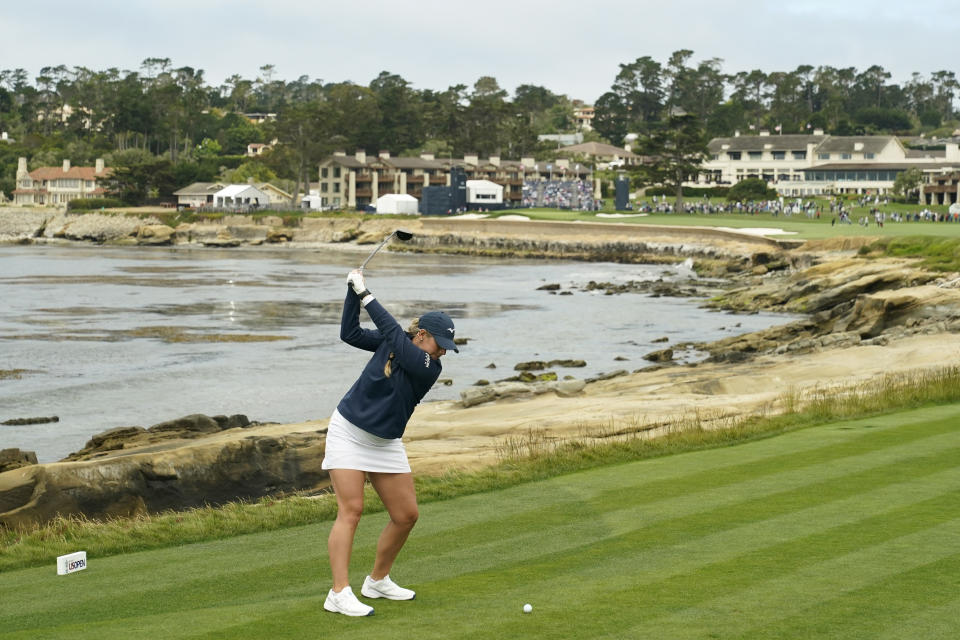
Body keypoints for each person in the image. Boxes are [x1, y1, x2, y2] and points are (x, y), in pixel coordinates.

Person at [322, 268, 459, 617]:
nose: (443, 352)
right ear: (423, 334)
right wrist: (352, 293)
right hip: (349, 432)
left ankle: (377, 581)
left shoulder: (428, 366)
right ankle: (338, 593)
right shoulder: (395, 342)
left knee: (406, 515)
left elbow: (398, 341)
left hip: (384, 443)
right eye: (440, 344)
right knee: (351, 511)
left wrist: (366, 293)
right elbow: (349, 333)